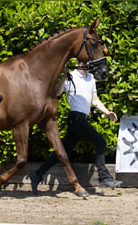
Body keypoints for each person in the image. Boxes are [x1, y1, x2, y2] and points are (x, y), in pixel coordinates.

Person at [29, 61, 122, 195]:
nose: (85, 64)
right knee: (101, 142)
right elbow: (57, 92)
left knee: (62, 152)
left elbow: (95, 101)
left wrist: (107, 112)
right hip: (75, 118)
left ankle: (37, 174)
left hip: (81, 119)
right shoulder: (71, 76)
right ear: (78, 63)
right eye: (82, 62)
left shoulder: (90, 78)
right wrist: (64, 76)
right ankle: (104, 177)